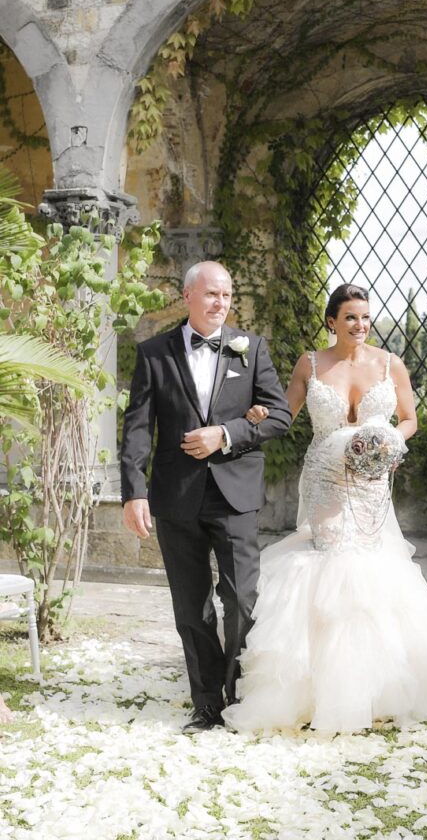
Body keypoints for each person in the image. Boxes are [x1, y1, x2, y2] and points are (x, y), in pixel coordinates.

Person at [225, 283, 427, 734]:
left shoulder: (391, 365)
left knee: (370, 561)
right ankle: (317, 688)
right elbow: (285, 414)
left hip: (371, 479)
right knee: (333, 560)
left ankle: (378, 687)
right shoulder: (311, 364)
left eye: (366, 317)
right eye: (351, 317)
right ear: (332, 321)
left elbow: (409, 419)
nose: (360, 325)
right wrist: (256, 416)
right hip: (324, 477)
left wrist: (389, 442)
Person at [120, 261, 292, 733]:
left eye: (227, 295)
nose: (221, 303)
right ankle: (207, 703)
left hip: (234, 495)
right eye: (212, 294)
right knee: (191, 606)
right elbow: (138, 427)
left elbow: (279, 414)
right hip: (176, 496)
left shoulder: (251, 349)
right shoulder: (154, 353)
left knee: (242, 599)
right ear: (188, 295)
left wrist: (227, 433)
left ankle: (239, 696)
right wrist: (133, 492)